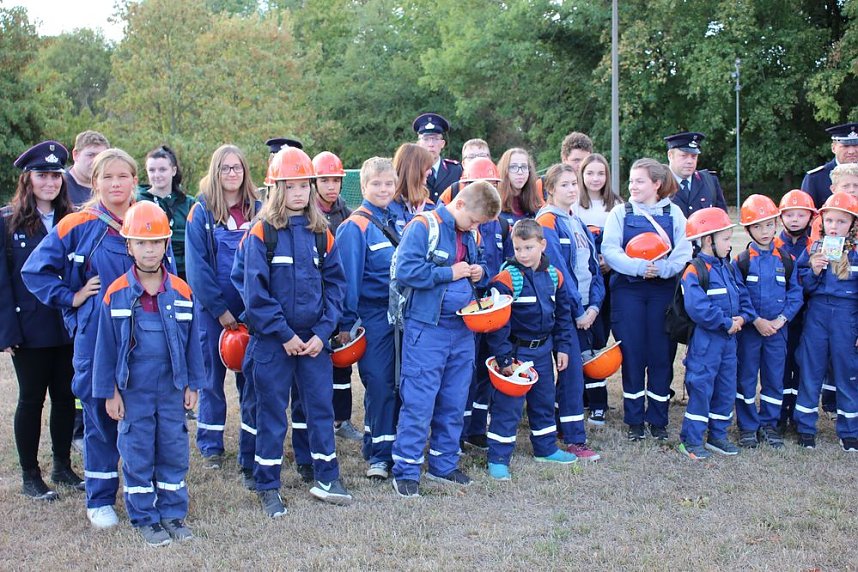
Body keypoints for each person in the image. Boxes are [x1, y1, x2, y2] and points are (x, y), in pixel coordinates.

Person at [23, 148, 173, 529]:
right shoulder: (79, 223)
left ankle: (143, 489)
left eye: (123, 176)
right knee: (100, 416)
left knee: (143, 419)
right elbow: (35, 270)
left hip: (145, 340)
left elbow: (170, 277)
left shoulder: (150, 218)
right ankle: (101, 498)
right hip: (96, 340)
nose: (116, 184)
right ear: (95, 182)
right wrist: (71, 299)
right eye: (107, 177)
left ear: (134, 180)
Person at [240, 147, 351, 517]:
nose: (299, 193)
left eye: (305, 185)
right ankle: (268, 485)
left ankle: (327, 476)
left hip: (315, 344)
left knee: (320, 409)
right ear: (275, 188)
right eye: (291, 186)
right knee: (272, 414)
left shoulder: (323, 233)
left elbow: (336, 287)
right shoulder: (262, 233)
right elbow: (255, 295)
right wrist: (285, 335)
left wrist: (322, 333)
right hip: (275, 344)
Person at [92, 202, 203, 546]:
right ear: (128, 246)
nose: (149, 249)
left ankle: (172, 513)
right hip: (133, 390)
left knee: (173, 449)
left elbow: (193, 345)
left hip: (171, 389)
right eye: (141, 242)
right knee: (138, 451)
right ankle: (145, 516)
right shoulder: (116, 294)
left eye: (156, 242)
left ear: (167, 244)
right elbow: (105, 348)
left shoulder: (182, 292)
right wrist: (109, 391)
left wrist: (193, 384)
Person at [390, 180, 500, 498]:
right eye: (474, 221)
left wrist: (479, 272)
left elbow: (475, 267)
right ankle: (407, 470)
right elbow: (406, 271)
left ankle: (443, 464)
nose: (475, 227)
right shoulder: (424, 226)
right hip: (427, 328)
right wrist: (448, 273)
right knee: (419, 401)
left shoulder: (470, 231)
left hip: (463, 329)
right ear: (461, 205)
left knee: (454, 401)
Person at [1, 141, 82, 501]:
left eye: (55, 175)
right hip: (30, 328)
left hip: (67, 323)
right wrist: (7, 330)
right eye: (42, 175)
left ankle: (62, 465)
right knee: (32, 400)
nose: (49, 182)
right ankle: (30, 474)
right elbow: (3, 281)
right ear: (28, 179)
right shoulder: (8, 221)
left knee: (66, 398)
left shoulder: (73, 218)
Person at [602, 159, 692, 441]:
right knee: (633, 355)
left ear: (656, 184)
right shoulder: (621, 212)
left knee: (661, 355)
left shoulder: (674, 213)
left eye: (640, 181)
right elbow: (610, 250)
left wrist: (665, 269)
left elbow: (685, 248)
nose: (633, 186)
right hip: (628, 291)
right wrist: (638, 267)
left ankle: (658, 419)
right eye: (631, 180)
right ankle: (635, 421)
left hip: (662, 291)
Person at [484, 219, 579, 480]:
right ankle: (498, 457)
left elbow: (563, 315)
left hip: (543, 350)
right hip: (516, 353)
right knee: (508, 406)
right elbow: (497, 324)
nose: (523, 254)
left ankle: (546, 448)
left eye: (528, 248)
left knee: (544, 401)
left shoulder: (554, 276)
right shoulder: (505, 279)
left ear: (542, 244)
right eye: (517, 249)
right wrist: (505, 358)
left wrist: (562, 348)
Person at [185, 144, 260, 470]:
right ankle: (211, 444)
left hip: (253, 310)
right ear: (215, 172)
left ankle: (252, 439)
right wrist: (220, 310)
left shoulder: (258, 208)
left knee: (252, 377)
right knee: (211, 379)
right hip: (214, 312)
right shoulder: (200, 211)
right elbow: (197, 268)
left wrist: (256, 308)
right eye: (225, 168)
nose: (232, 173)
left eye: (237, 167)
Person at [334, 157, 401, 479]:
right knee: (379, 384)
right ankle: (378, 455)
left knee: (397, 384)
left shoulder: (398, 219)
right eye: (376, 183)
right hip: (371, 318)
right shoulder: (354, 227)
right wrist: (348, 324)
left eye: (389, 183)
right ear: (363, 186)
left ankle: (390, 445)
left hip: (400, 317)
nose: (383, 189)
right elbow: (348, 280)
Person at [535, 164, 602, 461]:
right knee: (572, 373)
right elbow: (559, 270)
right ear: (550, 189)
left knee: (572, 374)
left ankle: (565, 426)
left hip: (585, 309)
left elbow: (593, 268)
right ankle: (575, 439)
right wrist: (577, 309)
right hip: (563, 311)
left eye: (574, 184)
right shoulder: (547, 221)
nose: (572, 189)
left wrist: (595, 306)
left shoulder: (578, 221)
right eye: (564, 185)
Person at [678, 208, 755, 460]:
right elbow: (698, 308)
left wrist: (743, 317)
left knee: (725, 387)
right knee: (701, 388)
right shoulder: (695, 270)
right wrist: (726, 323)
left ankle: (717, 436)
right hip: (706, 342)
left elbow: (744, 296)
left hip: (729, 342)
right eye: (725, 239)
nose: (729, 244)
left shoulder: (729, 268)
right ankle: (691, 440)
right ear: (708, 239)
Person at [733, 195, 803, 449]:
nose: (764, 231)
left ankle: (770, 425)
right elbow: (739, 295)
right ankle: (748, 426)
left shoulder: (786, 261)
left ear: (776, 224)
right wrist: (756, 320)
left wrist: (781, 320)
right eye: (757, 226)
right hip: (751, 333)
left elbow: (795, 294)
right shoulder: (741, 262)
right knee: (747, 378)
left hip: (777, 332)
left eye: (769, 225)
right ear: (748, 229)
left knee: (775, 378)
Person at [793, 192, 858, 452]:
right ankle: (806, 428)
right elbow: (802, 286)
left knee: (847, 374)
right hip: (817, 317)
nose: (834, 226)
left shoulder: (855, 253)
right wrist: (815, 270)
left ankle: (850, 430)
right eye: (830, 220)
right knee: (811, 371)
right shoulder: (814, 248)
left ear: (853, 224)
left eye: (841, 222)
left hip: (847, 317)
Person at [576, 153, 622, 424]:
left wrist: (610, 263)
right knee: (580, 339)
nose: (595, 178)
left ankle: (598, 401)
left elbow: (624, 243)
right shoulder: (575, 205)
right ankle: (582, 395)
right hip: (582, 281)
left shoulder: (616, 205)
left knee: (598, 340)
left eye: (600, 173)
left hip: (606, 280)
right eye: (590, 173)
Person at [774, 189, 816, 432]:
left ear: (811, 218)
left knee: (802, 365)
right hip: (781, 316)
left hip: (808, 315)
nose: (795, 220)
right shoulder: (772, 244)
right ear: (781, 217)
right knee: (780, 365)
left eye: (801, 215)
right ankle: (779, 414)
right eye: (789, 215)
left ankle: (798, 414)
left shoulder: (816, 246)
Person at [138, 145, 195, 279]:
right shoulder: (138, 202)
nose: (157, 175)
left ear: (173, 170)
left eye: (162, 169)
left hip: (185, 273)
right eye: (152, 170)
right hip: (150, 273)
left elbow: (195, 242)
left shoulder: (189, 203)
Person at [665, 131, 727, 217]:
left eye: (694, 156)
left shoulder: (709, 182)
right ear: (670, 155)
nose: (690, 161)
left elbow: (722, 221)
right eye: (684, 156)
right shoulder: (658, 184)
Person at [801, 122, 858, 209]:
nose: (851, 151)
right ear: (833, 148)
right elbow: (806, 215)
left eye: (856, 145)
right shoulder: (815, 178)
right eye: (845, 146)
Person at [413, 112, 462, 203]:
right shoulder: (411, 171)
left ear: (442, 143)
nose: (431, 144)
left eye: (435, 139)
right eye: (426, 139)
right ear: (418, 144)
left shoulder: (455, 170)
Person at [389, 143, 436, 233]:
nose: (430, 172)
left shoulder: (429, 206)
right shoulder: (387, 206)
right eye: (427, 168)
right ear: (414, 169)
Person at [497, 148, 544, 230]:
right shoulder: (495, 209)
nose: (520, 172)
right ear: (504, 170)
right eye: (513, 167)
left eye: (524, 167)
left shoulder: (538, 208)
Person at [64, 131, 110, 207]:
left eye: (101, 156)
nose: (96, 161)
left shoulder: (110, 187)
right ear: (76, 155)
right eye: (91, 155)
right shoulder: (59, 185)